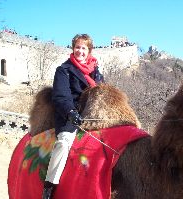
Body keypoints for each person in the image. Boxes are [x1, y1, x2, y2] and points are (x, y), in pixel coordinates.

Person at [42, 34, 104, 199]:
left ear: (89, 51)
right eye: (77, 47)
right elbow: (61, 96)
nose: (80, 51)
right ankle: (49, 186)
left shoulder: (96, 73)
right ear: (73, 48)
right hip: (70, 114)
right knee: (64, 142)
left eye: (84, 48)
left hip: (93, 115)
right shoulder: (64, 70)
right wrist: (70, 112)